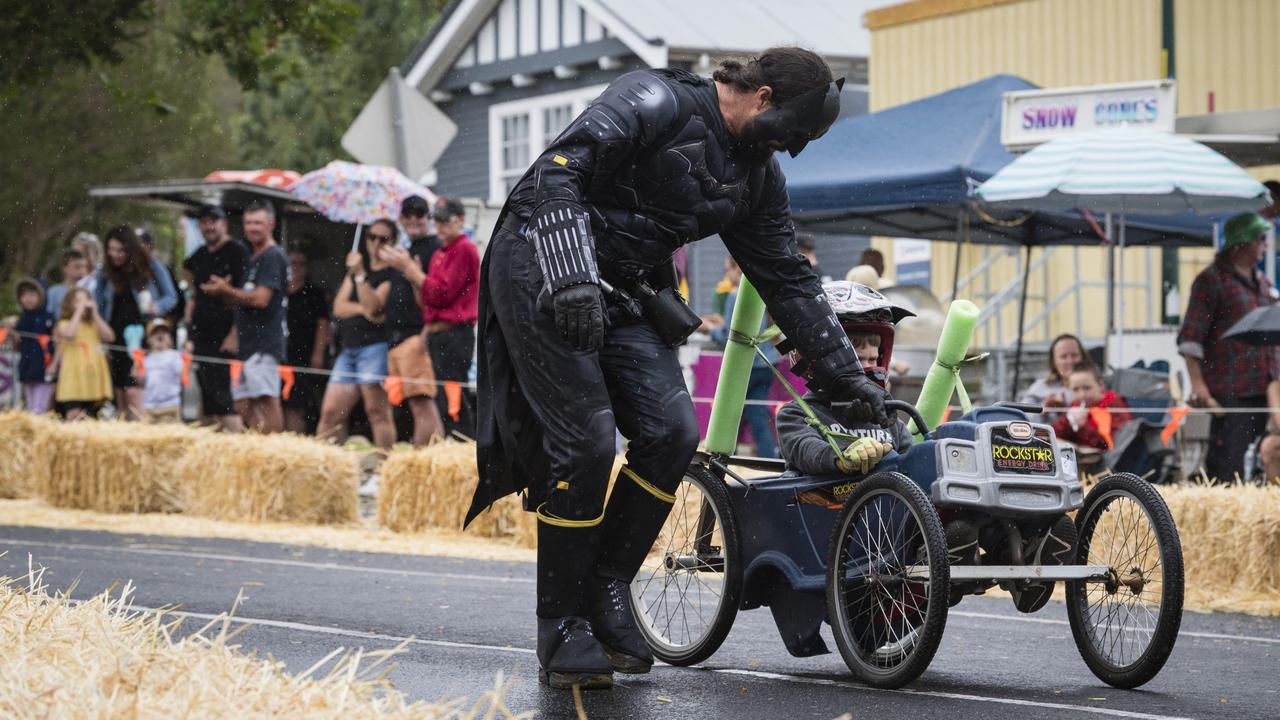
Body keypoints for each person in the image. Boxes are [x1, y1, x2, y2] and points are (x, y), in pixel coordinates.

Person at [468, 48, 888, 690]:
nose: (796, 150)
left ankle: (607, 592)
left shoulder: (758, 177)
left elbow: (787, 280)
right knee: (584, 443)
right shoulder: (653, 100)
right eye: (796, 133)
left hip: (628, 284)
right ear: (764, 96)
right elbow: (556, 173)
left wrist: (845, 374)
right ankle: (562, 621)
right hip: (539, 261)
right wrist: (571, 273)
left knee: (672, 434)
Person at [1178, 212, 1277, 483]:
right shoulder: (1211, 281)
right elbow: (1190, 339)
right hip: (1231, 392)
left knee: (1265, 459)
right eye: (1260, 239)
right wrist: (1198, 386)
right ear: (1241, 243)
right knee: (1229, 464)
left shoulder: (1264, 284)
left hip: (1269, 389)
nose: (1265, 244)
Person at [777, 281, 914, 477]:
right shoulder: (796, 414)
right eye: (857, 359)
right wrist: (843, 458)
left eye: (873, 359)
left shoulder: (887, 419)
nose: (868, 366)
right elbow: (806, 450)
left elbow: (913, 464)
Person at [200, 202, 288, 433]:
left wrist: (226, 291)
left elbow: (261, 299)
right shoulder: (252, 257)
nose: (252, 228)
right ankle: (260, 447)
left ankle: (277, 451)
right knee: (241, 403)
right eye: (249, 223)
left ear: (271, 224)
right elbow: (244, 300)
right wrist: (227, 292)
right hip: (246, 343)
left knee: (266, 400)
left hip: (265, 343)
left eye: (258, 223)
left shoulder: (273, 256)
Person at [316, 219, 397, 451]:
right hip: (349, 347)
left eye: (383, 239)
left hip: (376, 347)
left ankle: (384, 470)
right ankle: (321, 465)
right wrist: (363, 306)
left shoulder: (391, 273)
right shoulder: (356, 270)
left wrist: (361, 276)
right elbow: (340, 307)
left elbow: (375, 307)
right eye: (372, 237)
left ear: (393, 242)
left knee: (377, 411)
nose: (376, 243)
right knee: (331, 412)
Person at [373, 199, 445, 446]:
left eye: (420, 214)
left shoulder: (434, 248)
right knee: (415, 404)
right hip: (397, 338)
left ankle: (424, 463)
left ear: (429, 218)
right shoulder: (406, 249)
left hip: (416, 335)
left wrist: (426, 333)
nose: (414, 219)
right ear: (401, 218)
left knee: (422, 402)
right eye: (408, 214)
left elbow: (434, 295)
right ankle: (424, 462)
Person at [93, 225, 178, 421]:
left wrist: (156, 307)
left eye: (120, 250)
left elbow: (171, 297)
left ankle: (140, 431)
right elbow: (99, 303)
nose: (115, 255)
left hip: (140, 335)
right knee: (120, 393)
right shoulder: (104, 273)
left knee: (135, 391)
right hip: (115, 336)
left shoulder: (151, 266)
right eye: (111, 250)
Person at [417, 198, 479, 438]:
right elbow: (430, 300)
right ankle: (456, 441)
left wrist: (412, 272)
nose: (439, 227)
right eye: (437, 221)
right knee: (446, 396)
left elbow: (441, 294)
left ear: (460, 220)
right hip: (440, 332)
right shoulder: (440, 253)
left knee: (454, 397)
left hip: (455, 333)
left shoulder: (464, 249)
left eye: (445, 221)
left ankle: (462, 442)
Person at [183, 203, 248, 433]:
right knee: (207, 397)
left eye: (214, 221)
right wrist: (189, 334)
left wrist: (235, 333)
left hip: (227, 337)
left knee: (226, 400)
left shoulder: (238, 252)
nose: (209, 226)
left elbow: (245, 298)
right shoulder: (196, 257)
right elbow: (193, 296)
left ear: (225, 224)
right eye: (204, 222)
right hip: (202, 335)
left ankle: (239, 449)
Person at [711, 290, 779, 458]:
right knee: (758, 418)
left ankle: (722, 461)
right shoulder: (766, 291)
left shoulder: (736, 295)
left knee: (729, 418)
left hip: (744, 365)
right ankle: (768, 462)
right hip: (767, 364)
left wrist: (710, 329)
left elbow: (729, 335)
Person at [283, 249, 330, 434]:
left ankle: (296, 440)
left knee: (296, 404)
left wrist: (318, 353)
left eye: (300, 263)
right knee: (276, 403)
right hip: (279, 352)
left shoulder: (313, 294)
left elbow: (322, 324)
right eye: (291, 263)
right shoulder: (278, 290)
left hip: (302, 352)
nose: (295, 267)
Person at [53, 288, 113, 420]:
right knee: (73, 414)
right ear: (69, 304)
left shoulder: (94, 324)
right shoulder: (64, 323)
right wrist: (79, 311)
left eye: (86, 300)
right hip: (73, 376)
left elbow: (109, 337)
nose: (83, 303)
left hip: (92, 375)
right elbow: (70, 334)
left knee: (92, 415)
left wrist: (95, 314)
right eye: (78, 301)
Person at [1052, 364, 1133, 452]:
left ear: (1101, 385)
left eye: (1087, 388)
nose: (1082, 394)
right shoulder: (1076, 406)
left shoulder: (1113, 405)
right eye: (1075, 389)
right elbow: (1056, 432)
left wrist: (1083, 427)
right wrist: (1067, 422)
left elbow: (1110, 446)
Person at [1019, 334, 1090, 422]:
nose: (1070, 361)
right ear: (1054, 362)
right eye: (1063, 356)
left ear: (1083, 357)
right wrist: (1043, 410)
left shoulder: (1095, 387)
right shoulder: (1039, 388)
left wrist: (1065, 411)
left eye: (1074, 355)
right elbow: (1021, 418)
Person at [14, 278, 55, 414]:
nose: (27, 299)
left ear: (40, 296)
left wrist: (53, 365)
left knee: (40, 407)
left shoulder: (49, 318)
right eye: (24, 295)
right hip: (27, 366)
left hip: (44, 367)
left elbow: (57, 344)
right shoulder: (21, 320)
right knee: (30, 405)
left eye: (32, 294)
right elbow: (18, 345)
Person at [135, 320, 184, 424]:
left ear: (170, 338)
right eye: (155, 333)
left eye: (164, 332)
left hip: (170, 406)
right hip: (150, 407)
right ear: (149, 339)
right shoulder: (146, 359)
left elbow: (182, 375)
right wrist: (137, 369)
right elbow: (141, 382)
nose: (160, 335)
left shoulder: (175, 356)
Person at [137, 227, 185, 326]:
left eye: (140, 243)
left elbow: (172, 297)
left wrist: (157, 306)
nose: (137, 248)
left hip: (154, 324)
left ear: (149, 246)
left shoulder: (157, 267)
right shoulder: (130, 267)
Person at [46, 248, 89, 316]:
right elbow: (49, 317)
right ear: (65, 268)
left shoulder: (89, 290)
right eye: (77, 266)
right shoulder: (54, 291)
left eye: (83, 266)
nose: (81, 270)